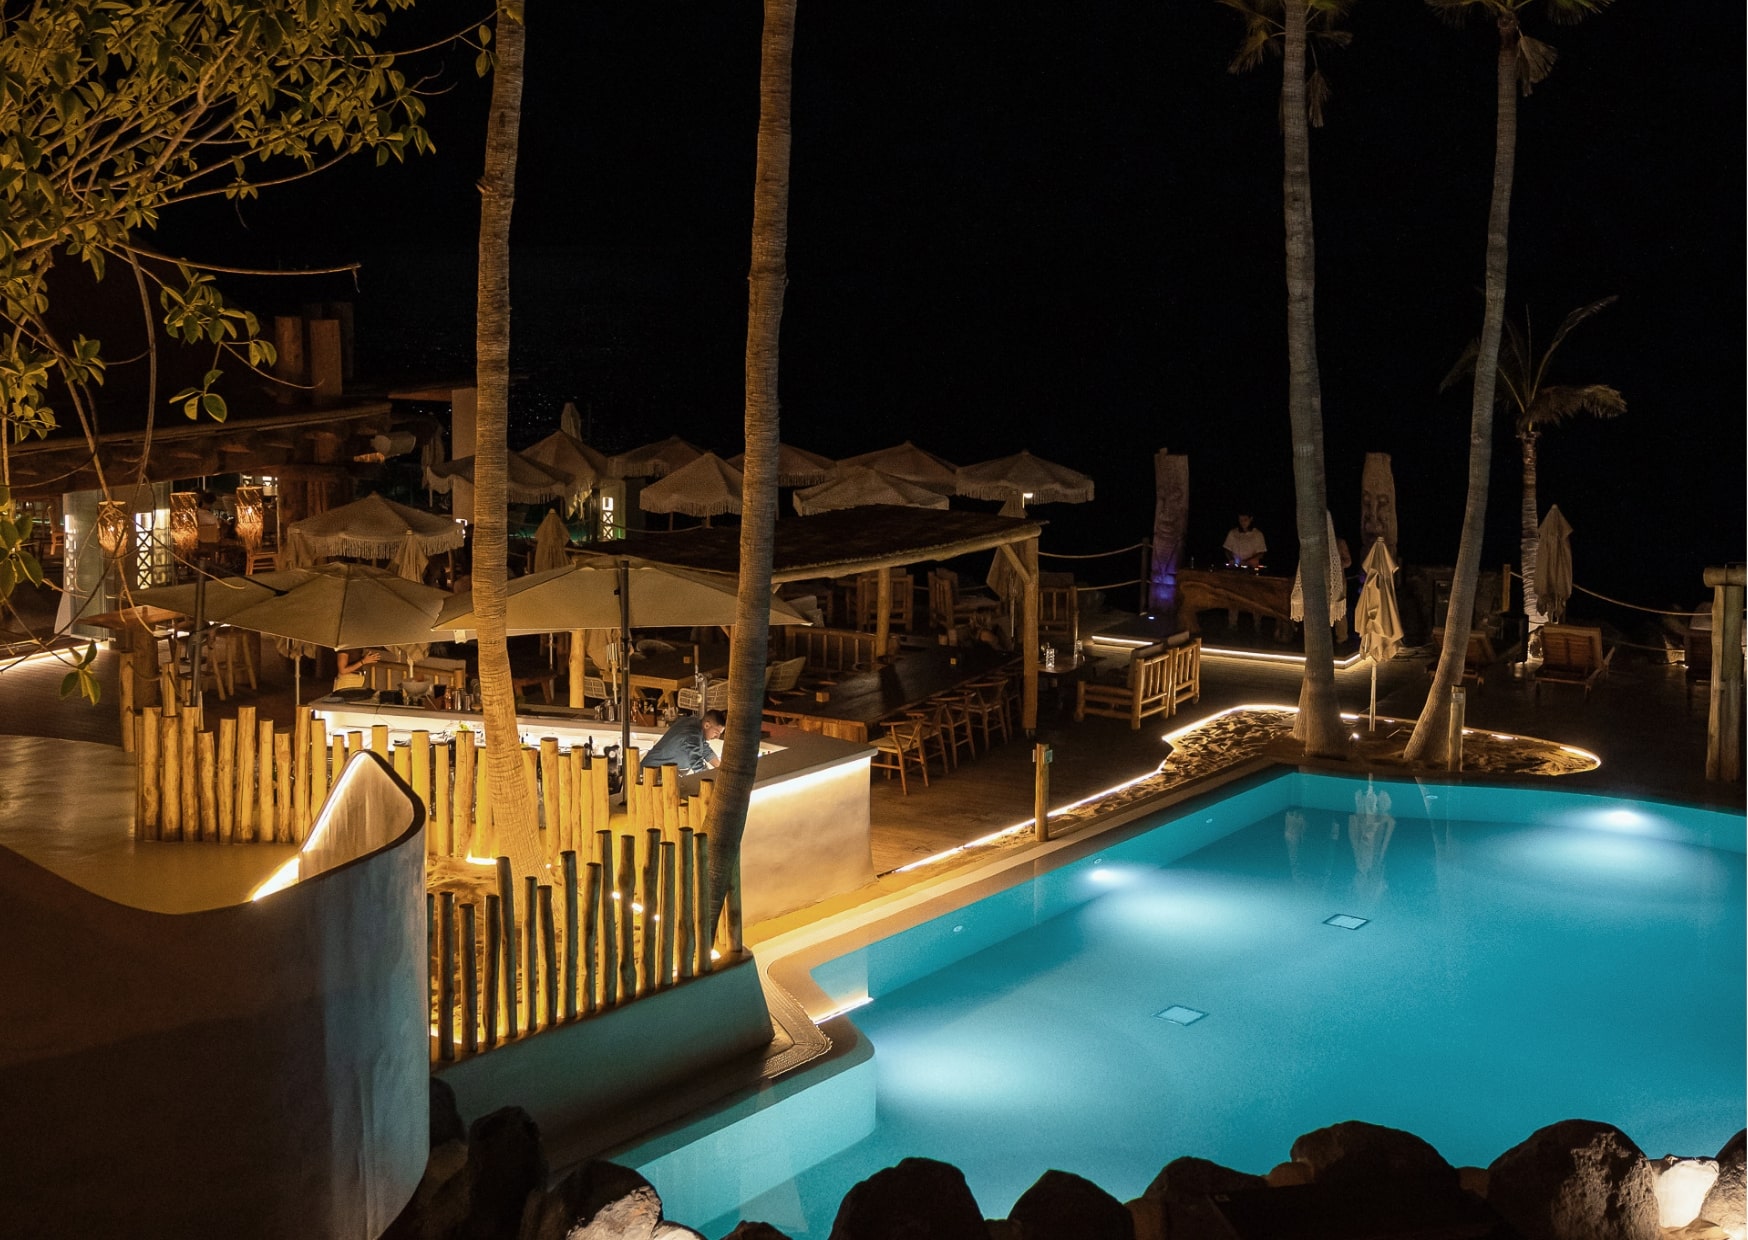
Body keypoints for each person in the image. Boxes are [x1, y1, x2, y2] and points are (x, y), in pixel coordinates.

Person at [641, 709, 725, 776]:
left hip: (662, 772)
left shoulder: (695, 724)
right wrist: (711, 780)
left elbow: (705, 750)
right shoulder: (692, 734)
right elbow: (697, 764)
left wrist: (722, 770)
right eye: (716, 733)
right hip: (650, 774)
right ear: (707, 725)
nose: (717, 737)